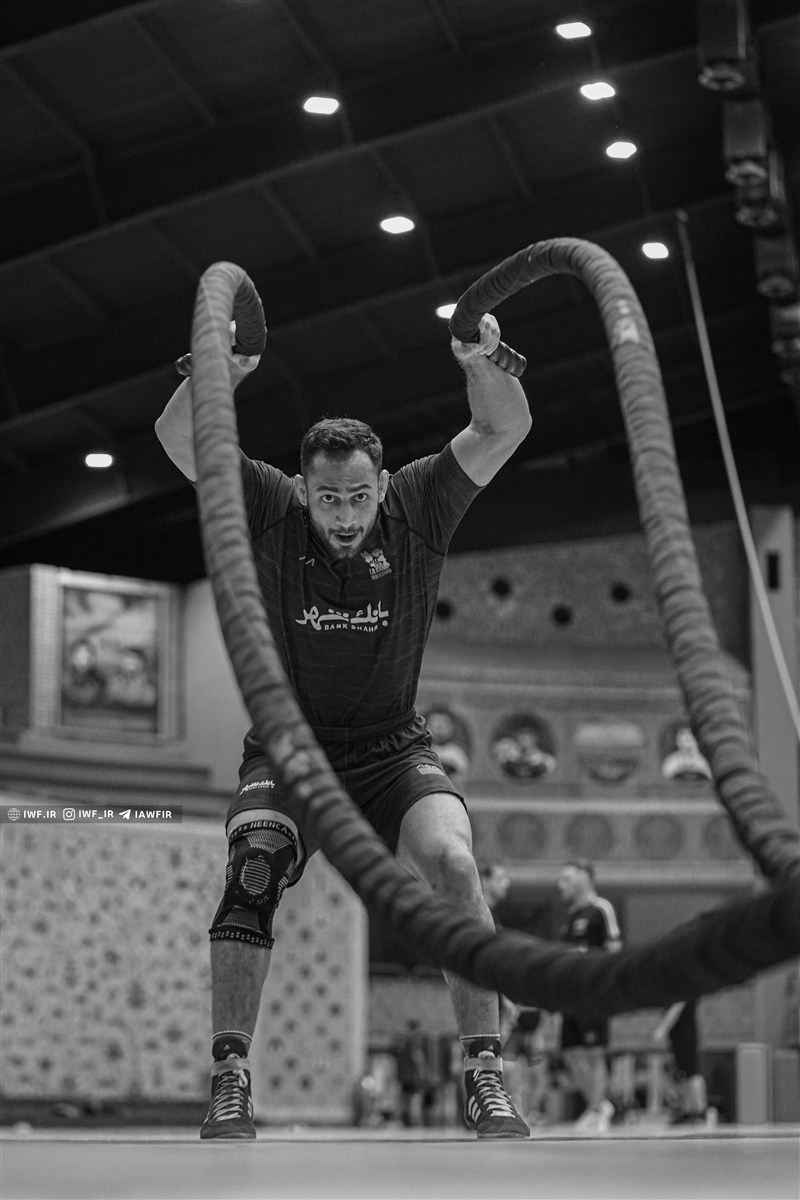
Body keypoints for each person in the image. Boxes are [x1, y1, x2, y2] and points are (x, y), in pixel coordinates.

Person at [155, 312, 532, 1141]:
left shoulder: (420, 502)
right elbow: (178, 437)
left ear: (383, 484)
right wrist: (217, 373)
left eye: (360, 496)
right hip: (289, 750)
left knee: (456, 865)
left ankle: (485, 1076)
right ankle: (230, 1081)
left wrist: (482, 362)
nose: (347, 513)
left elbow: (504, 426)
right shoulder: (267, 506)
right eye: (329, 498)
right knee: (252, 871)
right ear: (303, 491)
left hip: (393, 750)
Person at [556, 860, 622, 1133]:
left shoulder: (601, 909)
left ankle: (596, 1110)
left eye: (567, 878)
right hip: (570, 996)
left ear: (584, 877)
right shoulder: (570, 917)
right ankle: (599, 1104)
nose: (561, 884)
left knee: (595, 1053)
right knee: (570, 1053)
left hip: (593, 994)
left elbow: (614, 948)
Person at [651, 999, 709, 1125]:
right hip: (677, 1034)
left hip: (685, 1034)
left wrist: (663, 1028)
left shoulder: (684, 992)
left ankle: (700, 1110)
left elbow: (677, 1007)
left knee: (692, 1071)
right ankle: (687, 1109)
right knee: (683, 1073)